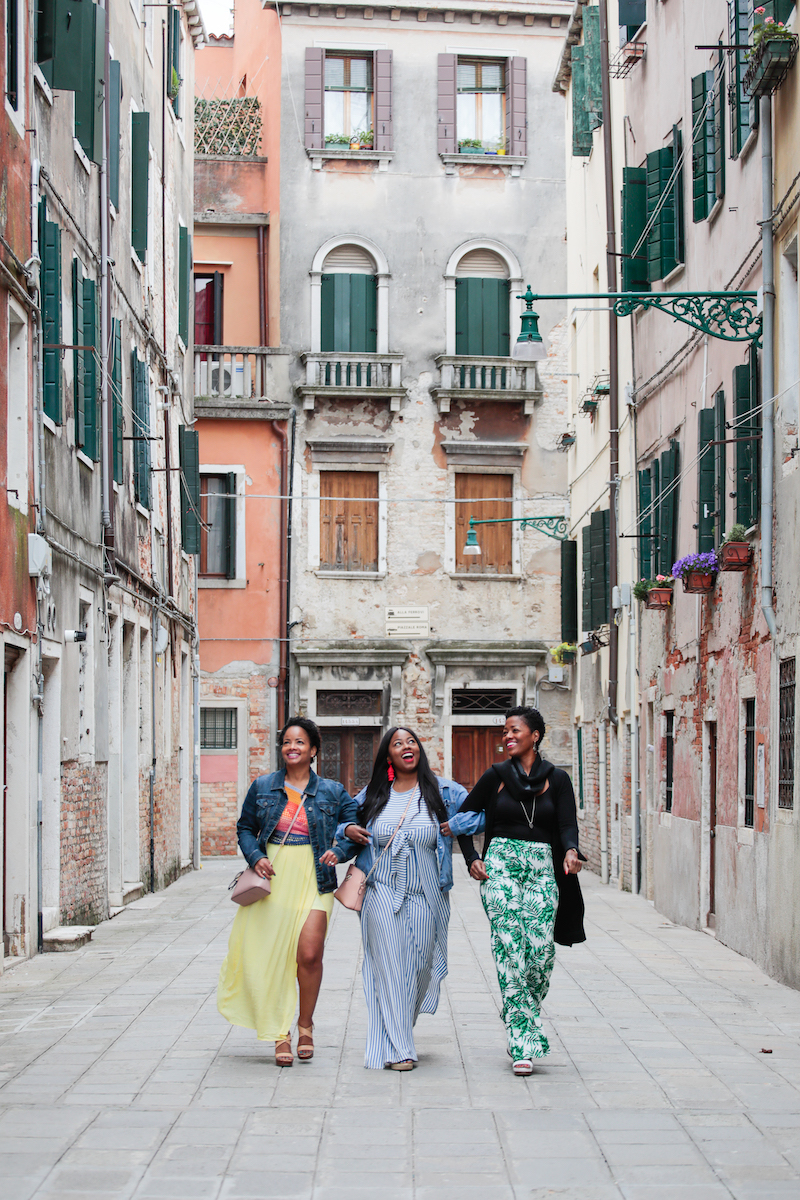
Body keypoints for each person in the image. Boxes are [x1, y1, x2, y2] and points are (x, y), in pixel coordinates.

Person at [444, 706, 586, 1076]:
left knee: (539, 953)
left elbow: (568, 825)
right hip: (501, 866)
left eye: (514, 730)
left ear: (535, 735)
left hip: (543, 869)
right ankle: (522, 1041)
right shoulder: (496, 776)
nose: (507, 736)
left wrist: (570, 851)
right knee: (510, 947)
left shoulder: (558, 779)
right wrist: (472, 857)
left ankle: (517, 1009)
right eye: (504, 731)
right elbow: (462, 819)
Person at [336, 727, 480, 1070]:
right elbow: (341, 820)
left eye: (411, 741)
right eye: (397, 743)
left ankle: (399, 1028)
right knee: (388, 964)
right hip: (381, 888)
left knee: (418, 966)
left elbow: (482, 811)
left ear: (419, 750)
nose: (406, 747)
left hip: (427, 889)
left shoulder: (444, 791)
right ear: (389, 756)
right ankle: (401, 1047)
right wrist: (345, 831)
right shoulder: (372, 794)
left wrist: (456, 828)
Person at [217, 717, 357, 1067]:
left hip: (316, 876)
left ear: (313, 750)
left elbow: (354, 827)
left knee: (309, 953)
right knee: (275, 956)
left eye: (299, 743)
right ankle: (280, 1032)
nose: (292, 748)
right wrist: (255, 856)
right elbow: (245, 827)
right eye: (286, 742)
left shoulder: (333, 792)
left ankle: (305, 1024)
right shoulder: (263, 786)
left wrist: (339, 851)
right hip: (275, 874)